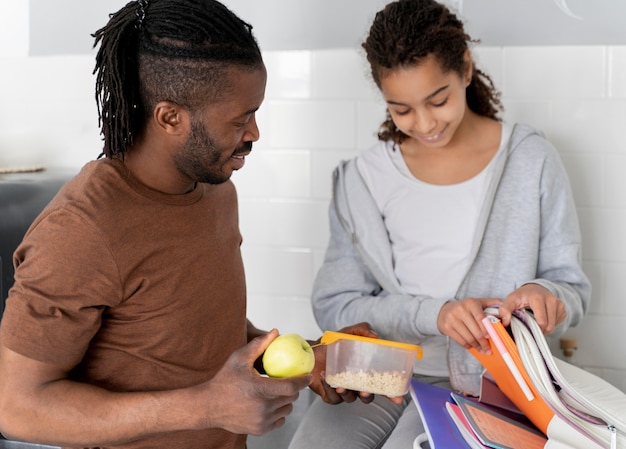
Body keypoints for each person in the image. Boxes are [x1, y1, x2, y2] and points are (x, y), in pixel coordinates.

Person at [0, 1, 377, 448]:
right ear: (169, 117)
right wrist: (208, 406)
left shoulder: (214, 187)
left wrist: (308, 358)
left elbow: (198, 332)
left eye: (255, 112)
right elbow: (18, 408)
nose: (255, 132)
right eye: (239, 120)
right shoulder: (82, 229)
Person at [288, 0, 591, 447]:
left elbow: (572, 287)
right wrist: (436, 314)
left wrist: (546, 296)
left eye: (439, 99)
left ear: (465, 69)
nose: (425, 123)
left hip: (487, 386)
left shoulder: (531, 160)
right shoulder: (362, 180)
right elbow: (336, 305)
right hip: (376, 378)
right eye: (402, 109)